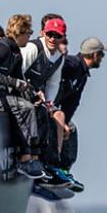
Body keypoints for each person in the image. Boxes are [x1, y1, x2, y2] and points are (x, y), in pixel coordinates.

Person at [0, 14, 48, 179]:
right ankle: (25, 159)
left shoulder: (16, 52)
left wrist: (33, 95)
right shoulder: (1, 46)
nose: (30, 36)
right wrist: (15, 83)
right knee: (23, 107)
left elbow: (19, 80)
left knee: (33, 106)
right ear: (19, 32)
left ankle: (35, 157)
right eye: (29, 32)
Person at [51, 37, 107, 192]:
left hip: (58, 111)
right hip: (47, 105)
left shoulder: (83, 74)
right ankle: (53, 168)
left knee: (71, 129)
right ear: (95, 55)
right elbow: (53, 72)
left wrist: (65, 123)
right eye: (102, 55)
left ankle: (63, 170)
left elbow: (72, 103)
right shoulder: (72, 64)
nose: (102, 59)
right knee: (67, 127)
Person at [20, 15, 69, 186]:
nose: (52, 39)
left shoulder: (59, 59)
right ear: (43, 33)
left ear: (63, 37)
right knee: (36, 112)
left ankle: (50, 165)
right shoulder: (33, 48)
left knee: (52, 116)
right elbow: (17, 71)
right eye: (50, 34)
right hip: (19, 90)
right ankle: (30, 158)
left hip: (36, 95)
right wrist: (32, 92)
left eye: (57, 35)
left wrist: (49, 103)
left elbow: (53, 84)